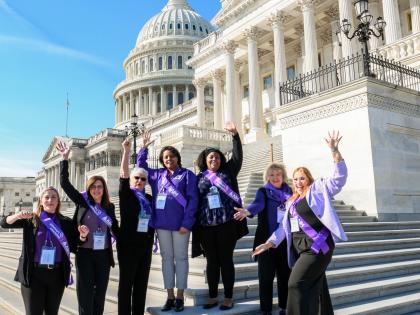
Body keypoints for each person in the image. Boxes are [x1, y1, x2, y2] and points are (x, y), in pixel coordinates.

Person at [253, 130, 347, 315]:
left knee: (295, 284)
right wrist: (269, 243)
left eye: (302, 178)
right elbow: (283, 229)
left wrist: (335, 151)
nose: (298, 182)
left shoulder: (318, 190)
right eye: (295, 179)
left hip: (318, 246)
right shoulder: (290, 203)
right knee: (317, 288)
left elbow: (339, 179)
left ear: (309, 179)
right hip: (300, 249)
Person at [0, 186, 89, 315]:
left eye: (54, 197)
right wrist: (18, 215)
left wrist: (83, 236)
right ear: (41, 200)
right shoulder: (31, 219)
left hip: (57, 275)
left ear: (58, 201)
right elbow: (4, 223)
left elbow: (75, 246)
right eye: (46, 197)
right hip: (33, 274)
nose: (50, 200)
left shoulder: (66, 222)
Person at [137, 131, 198, 312]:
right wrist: (144, 148)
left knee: (181, 259)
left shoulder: (187, 175)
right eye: (165, 157)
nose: (168, 159)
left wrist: (187, 223)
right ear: (162, 160)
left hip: (181, 226)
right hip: (162, 225)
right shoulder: (156, 176)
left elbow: (193, 200)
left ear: (177, 158)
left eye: (171, 156)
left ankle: (180, 296)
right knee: (166, 260)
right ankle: (169, 295)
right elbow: (141, 168)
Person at [57, 141, 119, 315]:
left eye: (100, 187)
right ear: (89, 189)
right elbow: (64, 183)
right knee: (84, 294)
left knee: (100, 294)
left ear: (104, 189)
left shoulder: (109, 207)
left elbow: (115, 227)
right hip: (84, 254)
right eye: (93, 187)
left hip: (103, 255)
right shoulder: (82, 202)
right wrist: (64, 159)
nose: (96, 190)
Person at [194, 121, 248, 311]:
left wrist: (235, 136)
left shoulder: (228, 171)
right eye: (210, 158)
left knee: (226, 260)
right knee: (212, 262)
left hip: (226, 224)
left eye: (217, 157)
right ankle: (212, 296)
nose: (214, 160)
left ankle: (228, 297)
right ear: (205, 160)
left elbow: (238, 157)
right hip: (207, 226)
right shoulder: (199, 177)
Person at [234, 163, 292, 315]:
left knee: (284, 276)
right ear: (267, 177)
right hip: (265, 240)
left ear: (283, 176)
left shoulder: (290, 192)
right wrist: (248, 211)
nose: (275, 177)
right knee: (265, 276)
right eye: (272, 175)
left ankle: (283, 307)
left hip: (284, 238)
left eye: (278, 174)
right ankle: (266, 309)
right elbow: (258, 204)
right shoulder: (263, 191)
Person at [117, 138, 154, 315]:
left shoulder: (149, 199)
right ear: (131, 181)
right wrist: (126, 151)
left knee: (141, 286)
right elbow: (123, 173)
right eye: (136, 178)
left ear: (146, 182)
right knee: (126, 286)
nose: (139, 181)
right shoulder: (126, 195)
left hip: (145, 247)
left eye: (142, 179)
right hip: (128, 247)